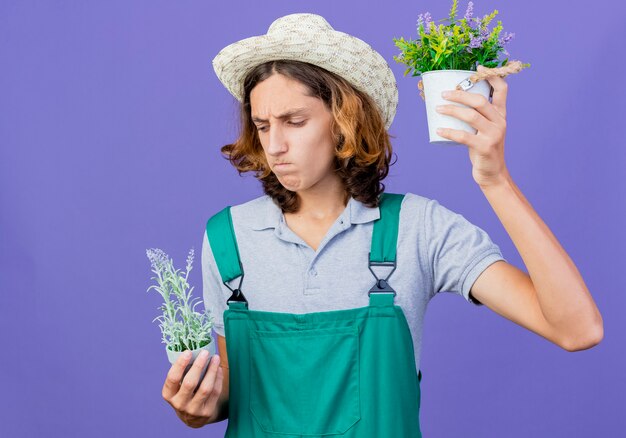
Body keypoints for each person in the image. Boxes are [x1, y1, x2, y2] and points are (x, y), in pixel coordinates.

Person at [161, 12, 604, 435]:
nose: (275, 145)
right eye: (261, 126)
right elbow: (228, 400)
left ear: (343, 121)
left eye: (294, 121)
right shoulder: (228, 238)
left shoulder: (418, 229)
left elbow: (577, 330)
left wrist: (495, 179)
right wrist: (195, 409)